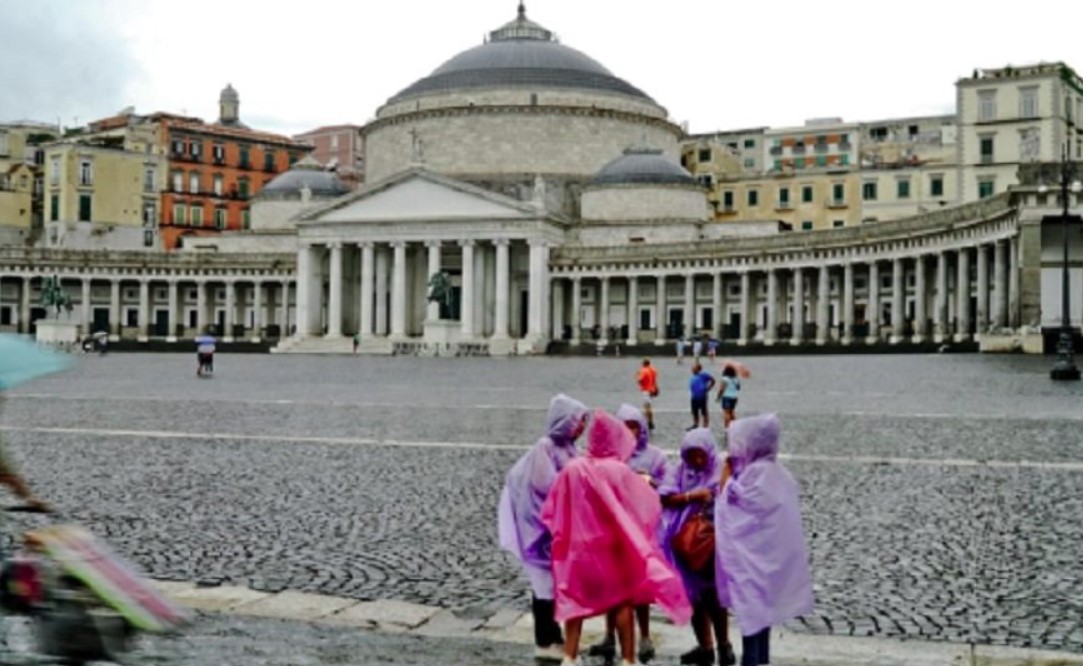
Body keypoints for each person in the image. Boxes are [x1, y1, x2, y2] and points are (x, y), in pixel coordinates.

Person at [541, 410, 690, 666]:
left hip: (578, 549)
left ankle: (570, 655)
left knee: (574, 601)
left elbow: (553, 508)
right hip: (611, 547)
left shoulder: (573, 468)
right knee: (622, 601)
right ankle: (628, 659)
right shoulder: (620, 471)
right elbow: (643, 507)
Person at [715, 414, 813, 666]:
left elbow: (729, 499)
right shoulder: (780, 475)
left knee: (751, 621)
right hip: (770, 564)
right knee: (763, 621)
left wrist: (726, 472)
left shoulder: (752, 475)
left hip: (751, 567)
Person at [498, 394, 590, 663]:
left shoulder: (569, 449)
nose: (581, 428)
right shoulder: (545, 447)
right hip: (541, 531)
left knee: (554, 585)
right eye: (578, 422)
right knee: (543, 587)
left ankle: (554, 635)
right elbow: (545, 486)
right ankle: (545, 639)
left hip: (558, 530)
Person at [587, 404, 669, 663]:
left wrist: (651, 483)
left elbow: (668, 485)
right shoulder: (611, 455)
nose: (630, 431)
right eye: (626, 426)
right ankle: (609, 634)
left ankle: (644, 636)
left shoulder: (654, 456)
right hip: (612, 529)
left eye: (634, 426)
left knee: (641, 587)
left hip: (641, 529)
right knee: (610, 585)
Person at [659, 428, 735, 666]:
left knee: (713, 596)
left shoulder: (719, 471)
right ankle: (705, 645)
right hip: (683, 543)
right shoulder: (681, 470)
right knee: (693, 597)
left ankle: (724, 645)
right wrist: (692, 496)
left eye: (701, 454)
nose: (697, 460)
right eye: (691, 454)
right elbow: (665, 495)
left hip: (711, 543)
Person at [687, 362, 715, 430]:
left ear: (698, 369)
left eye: (694, 368)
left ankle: (706, 425)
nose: (692, 369)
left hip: (702, 396)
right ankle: (695, 424)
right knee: (694, 411)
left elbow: (713, 380)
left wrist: (708, 388)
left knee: (704, 411)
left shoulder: (703, 375)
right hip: (694, 396)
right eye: (692, 368)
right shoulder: (693, 376)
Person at [636, 358, 659, 431]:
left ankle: (648, 422)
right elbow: (655, 380)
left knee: (647, 407)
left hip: (646, 390)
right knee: (650, 406)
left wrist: (637, 376)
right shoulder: (653, 370)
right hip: (652, 390)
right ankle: (651, 421)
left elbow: (640, 380)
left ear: (643, 364)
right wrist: (656, 388)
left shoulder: (643, 371)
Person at [717, 365, 741, 429]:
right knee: (732, 412)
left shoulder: (724, 379)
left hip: (727, 397)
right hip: (734, 397)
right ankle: (735, 427)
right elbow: (738, 388)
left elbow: (721, 389)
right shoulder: (736, 379)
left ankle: (727, 427)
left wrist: (718, 397)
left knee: (726, 413)